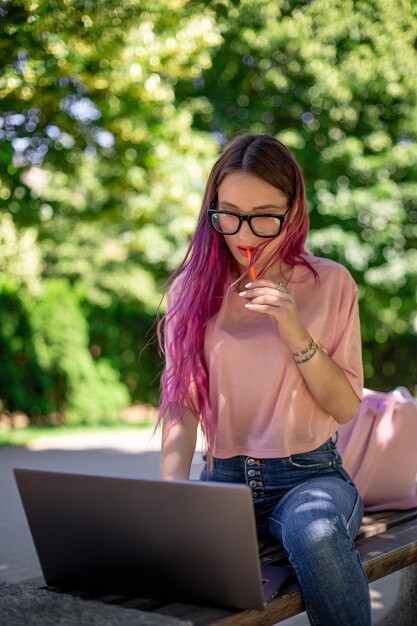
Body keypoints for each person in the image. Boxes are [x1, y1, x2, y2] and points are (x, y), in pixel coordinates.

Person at [157, 133, 371, 625]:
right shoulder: (191, 291)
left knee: (314, 535)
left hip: (309, 478)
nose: (244, 233)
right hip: (222, 480)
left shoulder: (330, 282)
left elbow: (345, 407)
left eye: (265, 215)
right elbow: (180, 406)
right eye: (229, 213)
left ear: (294, 210)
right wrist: (171, 493)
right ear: (212, 208)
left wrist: (292, 328)